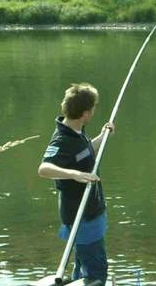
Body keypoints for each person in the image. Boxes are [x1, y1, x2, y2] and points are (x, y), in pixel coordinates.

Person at [38, 83, 115, 285]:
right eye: (93, 109)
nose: (93, 112)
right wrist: (73, 174)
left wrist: (102, 136)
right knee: (97, 273)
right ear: (85, 113)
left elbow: (85, 152)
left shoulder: (78, 132)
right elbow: (44, 169)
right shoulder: (62, 139)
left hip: (91, 212)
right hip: (81, 215)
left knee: (83, 266)